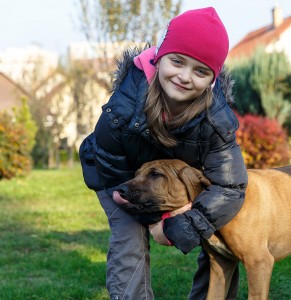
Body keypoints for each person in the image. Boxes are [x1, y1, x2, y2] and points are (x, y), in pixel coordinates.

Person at [79, 7, 248, 300]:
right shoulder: (123, 105)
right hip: (119, 179)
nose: (184, 76)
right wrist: (151, 217)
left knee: (219, 227)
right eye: (177, 61)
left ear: (212, 79)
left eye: (200, 71)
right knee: (129, 240)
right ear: (159, 59)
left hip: (178, 181)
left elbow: (230, 186)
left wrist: (179, 224)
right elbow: (111, 168)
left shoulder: (216, 120)